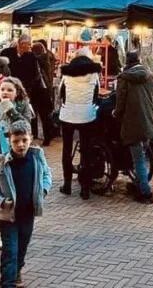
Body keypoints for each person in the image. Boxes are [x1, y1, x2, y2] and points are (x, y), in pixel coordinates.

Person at [0, 119, 52, 288]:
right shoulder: (0, 163)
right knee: (10, 251)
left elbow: (47, 174)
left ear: (30, 138)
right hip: (8, 216)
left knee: (22, 248)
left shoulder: (37, 156)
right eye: (16, 141)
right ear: (9, 140)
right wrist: (1, 201)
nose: (20, 145)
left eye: (24, 140)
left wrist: (44, 189)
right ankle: (7, 283)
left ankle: (16, 272)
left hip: (28, 213)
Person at [0, 77, 36, 249]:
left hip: (16, 156)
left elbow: (27, 129)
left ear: (17, 92)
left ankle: (0, 225)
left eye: (9, 90)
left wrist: (12, 112)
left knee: (12, 191)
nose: (5, 93)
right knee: (0, 190)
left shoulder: (23, 107)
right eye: (2, 89)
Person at [114, 51, 153, 204]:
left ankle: (146, 193)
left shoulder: (124, 78)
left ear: (126, 62)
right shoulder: (150, 75)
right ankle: (140, 182)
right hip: (149, 121)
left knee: (138, 159)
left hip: (133, 122)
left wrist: (116, 113)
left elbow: (120, 102)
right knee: (142, 154)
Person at [58, 48, 101, 200]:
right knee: (87, 151)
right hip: (87, 116)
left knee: (66, 150)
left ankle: (67, 184)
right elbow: (96, 94)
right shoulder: (94, 74)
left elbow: (61, 93)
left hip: (68, 115)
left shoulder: (66, 73)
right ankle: (85, 188)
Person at [1, 34, 55, 146]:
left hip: (34, 90)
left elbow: (33, 75)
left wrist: (25, 90)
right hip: (14, 88)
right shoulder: (7, 53)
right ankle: (18, 138)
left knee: (36, 113)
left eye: (30, 45)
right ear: (21, 44)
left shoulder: (31, 56)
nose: (30, 47)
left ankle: (42, 137)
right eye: (28, 45)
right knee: (20, 114)